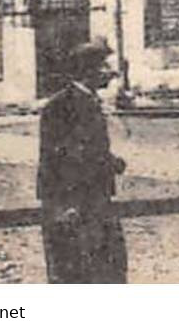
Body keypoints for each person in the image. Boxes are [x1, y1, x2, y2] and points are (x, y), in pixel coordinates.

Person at [37, 38, 128, 283]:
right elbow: (58, 158)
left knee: (107, 269)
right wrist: (64, 205)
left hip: (95, 201)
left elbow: (85, 149)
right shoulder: (60, 106)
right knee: (76, 273)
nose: (111, 72)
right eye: (104, 66)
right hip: (71, 204)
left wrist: (110, 161)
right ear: (88, 70)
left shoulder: (89, 101)